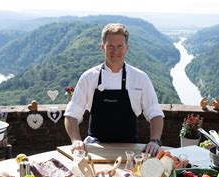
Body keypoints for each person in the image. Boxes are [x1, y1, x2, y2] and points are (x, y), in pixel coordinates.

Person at [64, 23, 164, 156]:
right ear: (102, 47)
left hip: (130, 149)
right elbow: (71, 115)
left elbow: (155, 114)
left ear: (127, 48)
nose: (115, 51)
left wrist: (154, 141)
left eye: (119, 46)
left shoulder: (140, 78)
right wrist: (76, 141)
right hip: (95, 147)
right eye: (110, 46)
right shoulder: (88, 77)